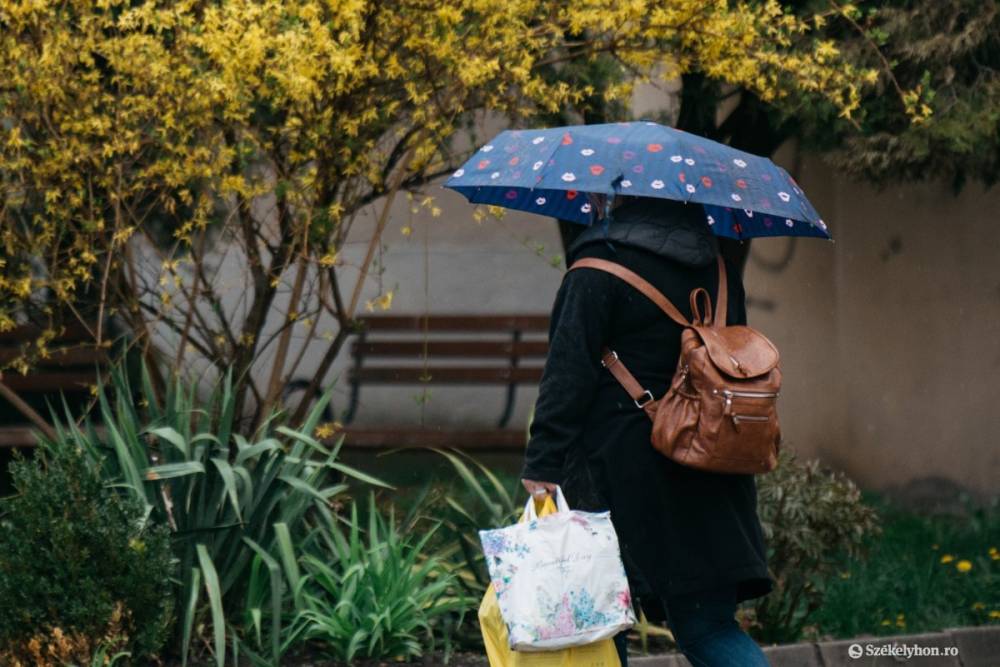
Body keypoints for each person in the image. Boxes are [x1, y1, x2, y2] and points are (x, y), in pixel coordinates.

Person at [520, 196, 773, 667]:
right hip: (711, 466)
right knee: (710, 628)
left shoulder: (595, 270)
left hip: (617, 473)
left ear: (620, 199)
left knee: (601, 628)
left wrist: (543, 464)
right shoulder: (718, 271)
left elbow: (566, 376)